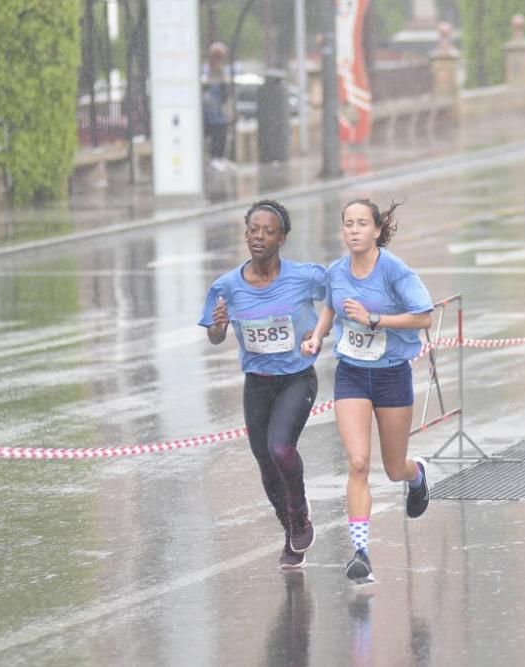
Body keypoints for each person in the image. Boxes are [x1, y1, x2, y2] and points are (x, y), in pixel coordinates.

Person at [301, 199, 433, 583]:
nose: (354, 230)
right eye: (348, 224)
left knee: (393, 468)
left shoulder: (395, 271)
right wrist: (317, 337)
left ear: (377, 231)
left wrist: (376, 319)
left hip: (392, 374)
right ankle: (361, 552)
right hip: (352, 374)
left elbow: (424, 316)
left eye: (362, 224)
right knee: (358, 462)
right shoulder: (337, 272)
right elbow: (331, 307)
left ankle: (417, 475)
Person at [198, 199, 325, 570]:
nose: (259, 237)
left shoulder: (304, 278)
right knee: (265, 465)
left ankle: (299, 512)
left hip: (297, 379)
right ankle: (290, 531)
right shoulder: (227, 287)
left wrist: (320, 332)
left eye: (268, 231)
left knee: (281, 448)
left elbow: (337, 295)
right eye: (254, 230)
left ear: (282, 238)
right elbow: (215, 336)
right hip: (257, 383)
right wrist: (219, 326)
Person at [202, 41, 229, 160]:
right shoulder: (204, 72)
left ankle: (217, 158)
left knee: (219, 142)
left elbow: (226, 95)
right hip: (204, 116)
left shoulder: (224, 73)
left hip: (219, 116)